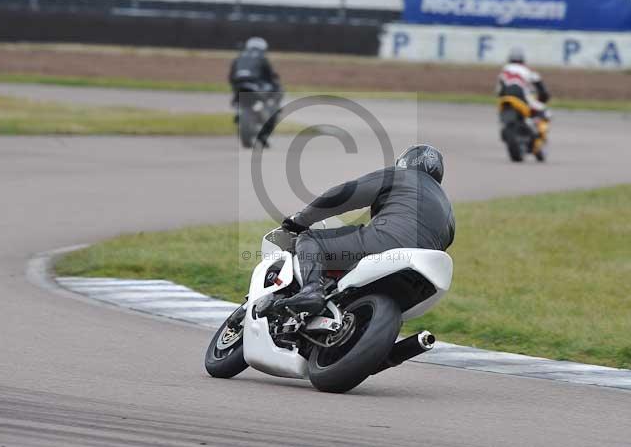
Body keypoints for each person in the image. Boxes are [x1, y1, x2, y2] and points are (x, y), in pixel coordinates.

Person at [275, 144, 456, 316]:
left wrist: (300, 220)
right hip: (423, 277)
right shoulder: (449, 210)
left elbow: (345, 194)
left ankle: (311, 290)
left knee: (311, 240)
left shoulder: (401, 175)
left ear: (404, 163)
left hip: (386, 243)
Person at [229, 37, 282, 147]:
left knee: (238, 101)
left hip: (239, 86)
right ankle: (263, 135)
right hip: (256, 88)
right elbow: (271, 77)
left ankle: (243, 116)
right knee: (274, 108)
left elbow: (231, 76)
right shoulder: (262, 59)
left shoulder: (239, 57)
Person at [495, 47, 551, 152]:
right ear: (522, 59)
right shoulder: (527, 71)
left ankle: (530, 130)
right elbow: (541, 89)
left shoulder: (503, 71)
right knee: (544, 111)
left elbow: (498, 91)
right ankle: (539, 134)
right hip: (522, 99)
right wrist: (544, 97)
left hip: (505, 101)